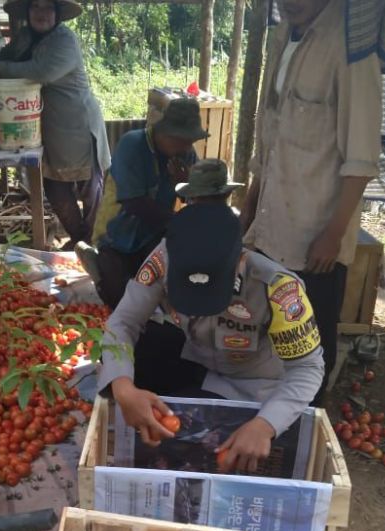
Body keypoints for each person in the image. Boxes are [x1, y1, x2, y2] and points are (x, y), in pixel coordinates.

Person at [98, 165, 324, 473]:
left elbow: (308, 368)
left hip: (252, 387)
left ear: (238, 261)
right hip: (202, 366)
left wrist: (266, 425)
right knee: (145, 351)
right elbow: (123, 322)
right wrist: (123, 387)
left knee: (209, 452)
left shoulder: (278, 288)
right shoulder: (165, 256)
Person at [240, 0, 381, 406]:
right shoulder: (282, 34)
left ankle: (304, 430)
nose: (290, 3)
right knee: (269, 337)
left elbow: (362, 158)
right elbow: (271, 129)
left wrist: (334, 234)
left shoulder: (353, 47)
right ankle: (265, 428)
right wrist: (252, 195)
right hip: (271, 224)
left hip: (314, 237)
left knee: (309, 348)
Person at [0, 0, 111, 251]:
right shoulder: (25, 37)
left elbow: (42, 71)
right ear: (28, 12)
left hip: (77, 123)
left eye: (48, 8)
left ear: (57, 14)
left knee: (90, 188)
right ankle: (79, 238)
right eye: (36, 7)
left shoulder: (64, 40)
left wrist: (2, 68)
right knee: (55, 189)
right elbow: (3, 58)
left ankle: (95, 242)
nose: (41, 14)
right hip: (48, 126)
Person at [90, 97, 206, 308]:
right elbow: (134, 204)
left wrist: (186, 185)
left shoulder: (185, 153)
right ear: (165, 133)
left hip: (155, 237)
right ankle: (99, 266)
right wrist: (180, 221)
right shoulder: (132, 145)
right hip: (116, 238)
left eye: (191, 141)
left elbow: (197, 201)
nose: (188, 147)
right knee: (118, 300)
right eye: (183, 140)